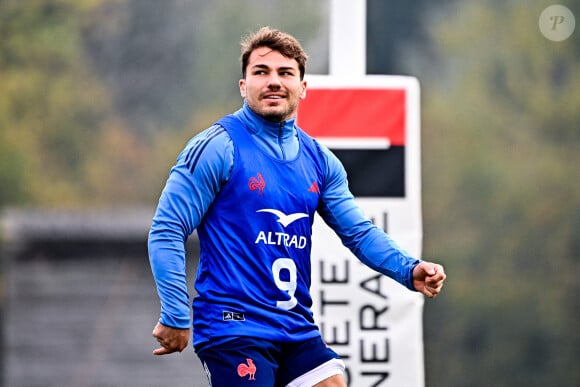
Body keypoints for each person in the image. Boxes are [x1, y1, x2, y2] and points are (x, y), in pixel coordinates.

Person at [148, 26, 446, 387]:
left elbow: (359, 233)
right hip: (234, 327)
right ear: (244, 86)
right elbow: (167, 229)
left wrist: (408, 269)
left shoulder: (320, 161)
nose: (273, 82)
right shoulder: (217, 147)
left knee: (333, 382)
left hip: (294, 327)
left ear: (303, 87)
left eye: (285, 73)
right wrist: (177, 313)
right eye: (261, 72)